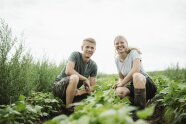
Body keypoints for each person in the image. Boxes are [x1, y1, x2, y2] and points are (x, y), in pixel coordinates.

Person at [52, 38, 97, 114]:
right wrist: (85, 79)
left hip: (73, 91)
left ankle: (72, 104)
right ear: (82, 48)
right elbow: (68, 70)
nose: (89, 50)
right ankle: (68, 109)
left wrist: (81, 92)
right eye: (87, 47)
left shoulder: (93, 65)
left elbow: (93, 87)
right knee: (75, 77)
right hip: (59, 88)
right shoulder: (75, 55)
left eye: (92, 48)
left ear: (95, 50)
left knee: (91, 93)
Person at [113, 35, 157, 109]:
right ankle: (136, 103)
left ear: (126, 44)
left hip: (145, 84)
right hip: (133, 86)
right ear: (114, 46)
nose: (119, 45)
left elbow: (136, 69)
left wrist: (122, 83)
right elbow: (121, 77)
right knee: (119, 91)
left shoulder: (133, 52)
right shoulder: (117, 60)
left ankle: (140, 110)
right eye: (117, 43)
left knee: (136, 75)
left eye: (122, 42)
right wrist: (119, 84)